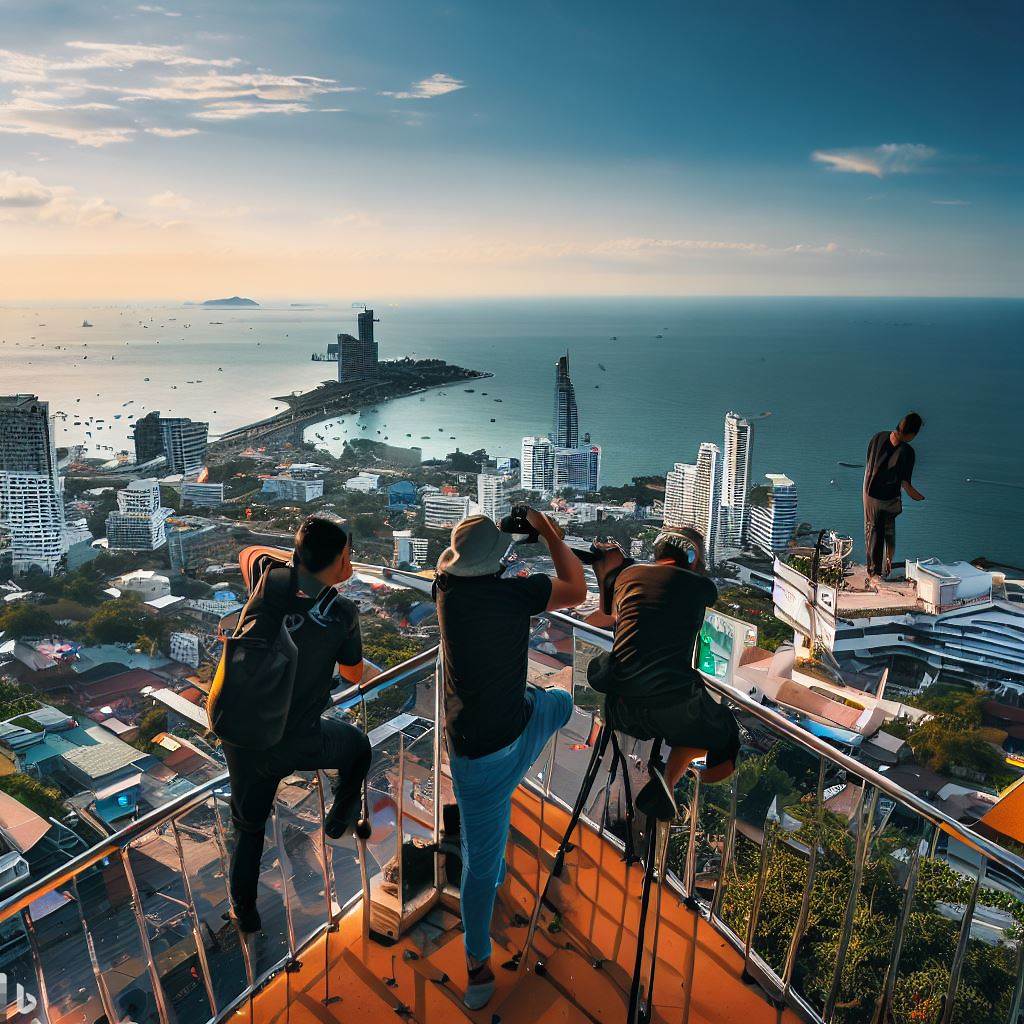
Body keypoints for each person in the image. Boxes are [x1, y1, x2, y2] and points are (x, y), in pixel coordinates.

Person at [434, 510, 586, 1009]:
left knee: (486, 848)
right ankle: (476, 967)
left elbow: (484, 566)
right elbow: (577, 588)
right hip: (501, 747)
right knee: (562, 703)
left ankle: (481, 964)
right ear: (497, 563)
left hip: (478, 743)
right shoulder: (513, 591)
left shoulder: (446, 592)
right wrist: (547, 532)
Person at [222, 516, 374, 935]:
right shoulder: (341, 613)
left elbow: (247, 554)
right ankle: (339, 820)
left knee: (248, 830)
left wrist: (288, 562)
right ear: (342, 561)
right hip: (295, 741)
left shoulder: (269, 579)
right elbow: (353, 673)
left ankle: (245, 913)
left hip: (241, 733)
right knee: (358, 747)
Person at [585, 527, 739, 822]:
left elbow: (608, 612)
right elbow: (693, 587)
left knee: (690, 714)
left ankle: (666, 779)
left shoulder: (628, 577)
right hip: (672, 711)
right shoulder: (701, 587)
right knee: (726, 732)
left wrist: (611, 570)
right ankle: (671, 778)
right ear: (693, 558)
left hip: (619, 710)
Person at [863, 412, 925, 579]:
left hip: (868, 492)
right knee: (886, 531)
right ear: (912, 434)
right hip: (887, 498)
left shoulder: (878, 437)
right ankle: (880, 570)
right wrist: (921, 498)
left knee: (873, 530)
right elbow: (906, 484)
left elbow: (869, 464)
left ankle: (875, 570)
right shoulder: (907, 451)